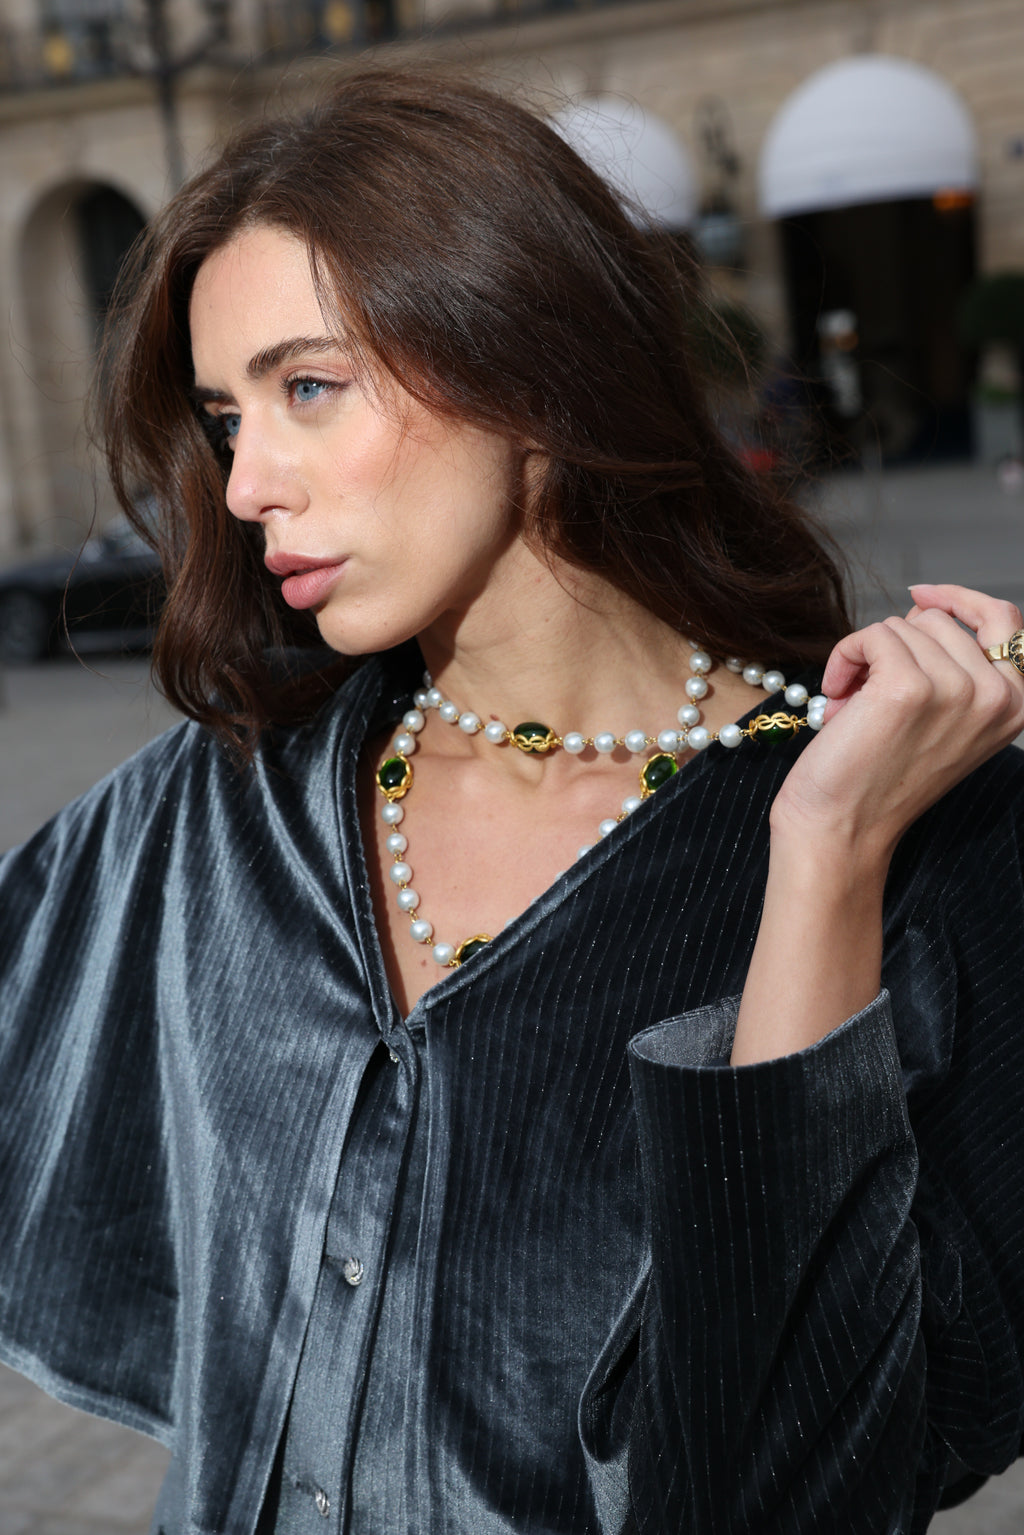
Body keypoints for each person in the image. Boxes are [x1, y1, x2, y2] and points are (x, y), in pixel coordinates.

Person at [2, 66, 1024, 1535]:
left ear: (525, 362)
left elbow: (797, 1489)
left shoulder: (939, 853)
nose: (242, 487)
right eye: (229, 416)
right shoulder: (205, 821)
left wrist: (827, 859)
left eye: (307, 388)